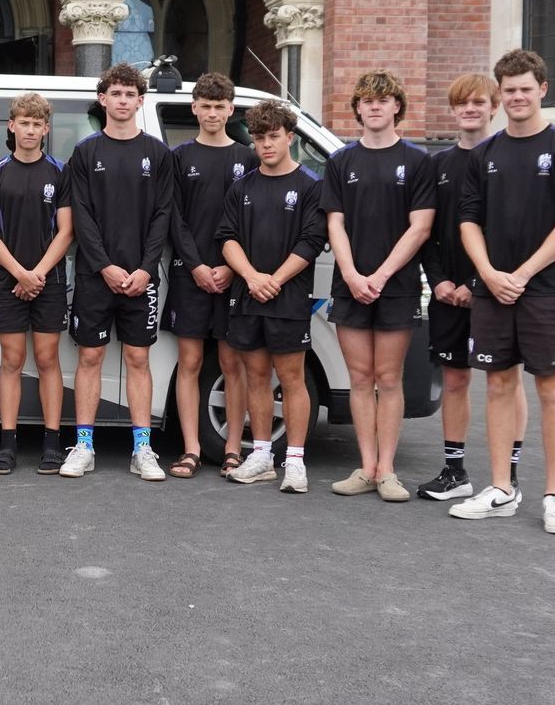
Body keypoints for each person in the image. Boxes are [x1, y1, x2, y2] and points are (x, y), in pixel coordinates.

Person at [452, 49, 555, 535]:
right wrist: (491, 273)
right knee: (497, 384)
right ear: (501, 95)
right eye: (508, 90)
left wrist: (524, 273)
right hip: (494, 288)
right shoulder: (484, 155)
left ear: (542, 90)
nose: (516, 97)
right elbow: (468, 219)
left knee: (551, 389)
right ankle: (500, 489)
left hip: (548, 289)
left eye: (524, 89)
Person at [321, 69, 435, 502]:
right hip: (351, 283)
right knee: (359, 377)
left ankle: (388, 470)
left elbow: (420, 227)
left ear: (396, 108)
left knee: (389, 378)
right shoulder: (341, 162)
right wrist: (351, 274)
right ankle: (365, 466)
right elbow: (336, 222)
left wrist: (382, 275)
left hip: (398, 286)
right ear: (357, 109)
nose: (374, 106)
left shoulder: (418, 161)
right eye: (367, 100)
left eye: (383, 100)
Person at [416, 74, 530, 501]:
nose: (470, 109)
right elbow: (426, 232)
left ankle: (510, 474)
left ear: (494, 106)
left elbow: (512, 231)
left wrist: (475, 281)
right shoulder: (437, 164)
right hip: (446, 291)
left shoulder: (506, 158)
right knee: (456, 379)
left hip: (494, 289)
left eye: (479, 102)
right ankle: (454, 471)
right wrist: (440, 280)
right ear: (452, 109)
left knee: (506, 380)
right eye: (462, 103)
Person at [61, 62, 176, 482]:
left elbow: (163, 214)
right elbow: (82, 217)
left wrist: (146, 269)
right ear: (102, 99)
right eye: (116, 93)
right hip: (97, 276)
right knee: (89, 355)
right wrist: (105, 265)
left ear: (140, 102)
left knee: (139, 358)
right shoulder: (86, 153)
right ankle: (84, 445)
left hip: (142, 278)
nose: (123, 101)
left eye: (131, 95)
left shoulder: (158, 154)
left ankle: (142, 448)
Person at [217, 100, 326, 493]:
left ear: (290, 138)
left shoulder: (311, 186)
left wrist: (274, 280)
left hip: (288, 298)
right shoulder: (241, 186)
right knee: (256, 376)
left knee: (292, 378)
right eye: (259, 138)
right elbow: (227, 238)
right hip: (247, 296)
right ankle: (261, 454)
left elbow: (312, 241)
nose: (266, 145)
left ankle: (295, 460)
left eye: (274, 137)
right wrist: (250, 277)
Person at [0, 92, 72, 475]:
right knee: (12, 360)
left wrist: (38, 275)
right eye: (23, 123)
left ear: (46, 129)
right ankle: (7, 445)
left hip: (49, 279)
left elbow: (66, 232)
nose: (30, 130)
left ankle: (51, 444)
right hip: (8, 280)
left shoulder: (60, 172)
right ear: (11, 126)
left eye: (37, 124)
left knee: (48, 360)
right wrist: (20, 274)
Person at [164, 72, 257, 479]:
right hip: (191, 274)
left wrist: (228, 267)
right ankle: (191, 450)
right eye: (206, 106)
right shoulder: (179, 157)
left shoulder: (248, 158)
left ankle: (233, 449)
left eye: (221, 107)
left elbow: (253, 221)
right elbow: (173, 218)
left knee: (230, 363)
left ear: (231, 110)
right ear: (195, 109)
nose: (213, 113)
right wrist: (198, 265)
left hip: (233, 277)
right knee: (189, 360)